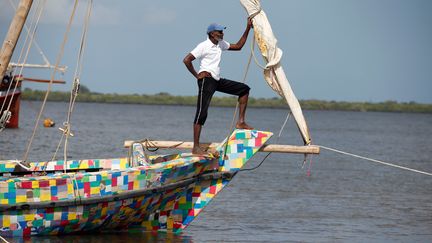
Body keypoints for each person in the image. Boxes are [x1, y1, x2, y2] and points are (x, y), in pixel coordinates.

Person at [183, 18, 254, 155]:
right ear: (211, 34)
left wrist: (247, 28)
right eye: (219, 32)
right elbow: (187, 60)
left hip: (216, 79)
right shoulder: (203, 46)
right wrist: (197, 75)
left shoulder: (220, 44)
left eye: (222, 31)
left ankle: (241, 122)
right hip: (206, 80)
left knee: (244, 89)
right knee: (202, 112)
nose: (222, 33)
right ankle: (196, 147)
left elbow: (238, 46)